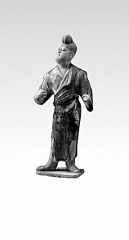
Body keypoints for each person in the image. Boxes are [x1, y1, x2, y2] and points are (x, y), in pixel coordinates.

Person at [34, 35, 93, 175]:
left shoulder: (79, 74)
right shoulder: (49, 75)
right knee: (56, 135)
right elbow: (41, 97)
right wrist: (38, 97)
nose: (59, 51)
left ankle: (70, 162)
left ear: (71, 55)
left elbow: (86, 94)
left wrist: (87, 100)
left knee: (71, 136)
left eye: (64, 50)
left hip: (72, 110)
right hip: (59, 111)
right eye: (59, 49)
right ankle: (52, 161)